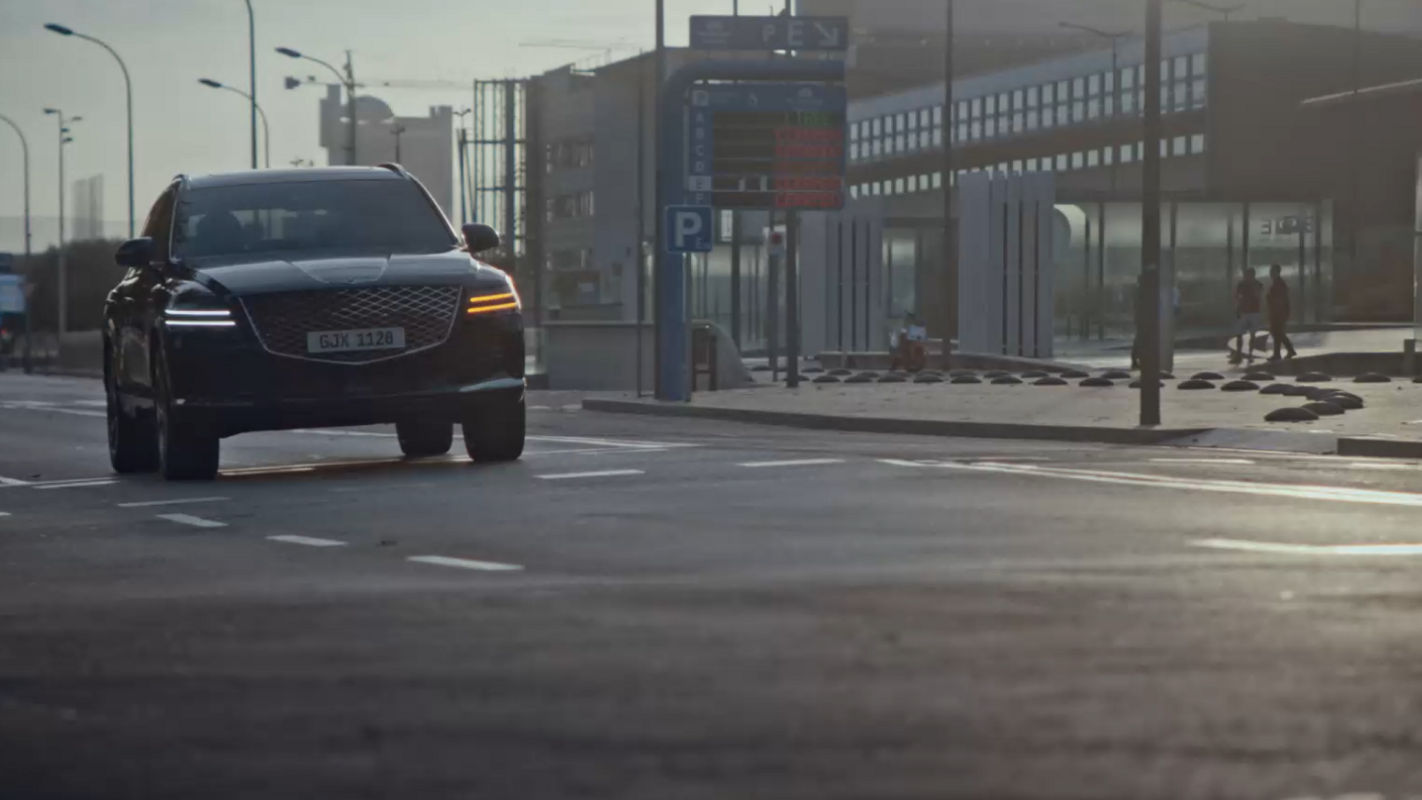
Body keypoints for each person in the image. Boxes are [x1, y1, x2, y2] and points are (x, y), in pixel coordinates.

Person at [1231, 266, 1263, 364]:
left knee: (1252, 335)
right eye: (1246, 275)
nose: (1247, 277)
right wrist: (1237, 309)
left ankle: (1249, 354)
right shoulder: (1241, 285)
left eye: (1249, 275)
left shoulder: (1258, 284)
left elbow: (1259, 296)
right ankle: (1239, 354)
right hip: (1244, 312)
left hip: (1254, 311)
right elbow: (1238, 297)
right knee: (1239, 334)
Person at [1266, 263, 1298, 360]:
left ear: (1277, 272)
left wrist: (1270, 300)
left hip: (1279, 313)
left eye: (1272, 271)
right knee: (1277, 333)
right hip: (1277, 312)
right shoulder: (1277, 283)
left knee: (1277, 332)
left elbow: (1280, 300)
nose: (1270, 273)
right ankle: (1287, 351)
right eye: (1270, 271)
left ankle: (1279, 353)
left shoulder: (1279, 284)